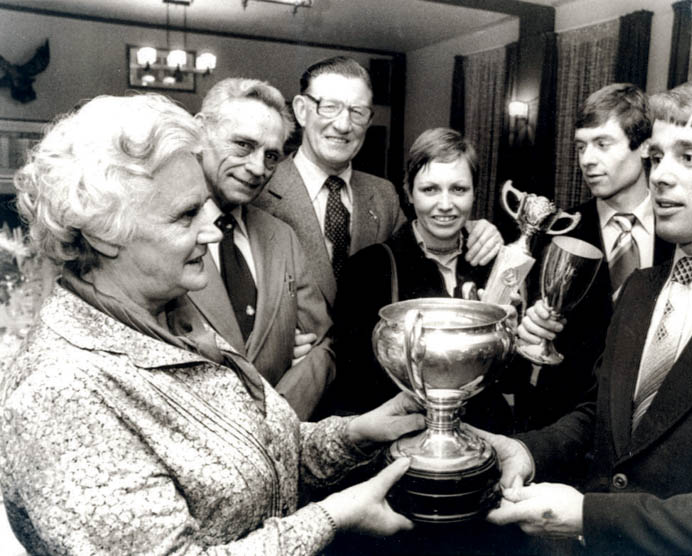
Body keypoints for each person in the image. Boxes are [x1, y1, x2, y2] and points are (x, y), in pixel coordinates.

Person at [0, 93, 430, 554]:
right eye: (186, 214)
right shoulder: (60, 392)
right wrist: (330, 519)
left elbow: (258, 454)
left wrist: (359, 431)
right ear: (104, 231)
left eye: (204, 206)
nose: (212, 227)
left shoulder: (171, 316)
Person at [489, 75, 692, 554]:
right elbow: (608, 419)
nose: (658, 175)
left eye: (689, 156)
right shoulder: (642, 286)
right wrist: (530, 449)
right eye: (656, 156)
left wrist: (588, 517)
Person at [253, 56, 502, 310]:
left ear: (369, 121)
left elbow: (420, 249)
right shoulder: (258, 190)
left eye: (357, 112)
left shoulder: (383, 195)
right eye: (329, 107)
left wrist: (473, 231)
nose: (343, 125)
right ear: (301, 110)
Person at [321, 128, 513, 434]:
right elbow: (356, 386)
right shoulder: (369, 269)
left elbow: (513, 378)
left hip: (485, 438)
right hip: (404, 441)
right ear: (409, 192)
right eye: (430, 189)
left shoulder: (495, 262)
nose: (446, 204)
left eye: (459, 189)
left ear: (475, 192)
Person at [516, 83, 673, 436]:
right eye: (581, 146)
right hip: (563, 426)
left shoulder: (681, 233)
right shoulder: (554, 232)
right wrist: (526, 331)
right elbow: (527, 337)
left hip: (652, 424)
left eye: (602, 144)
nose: (587, 159)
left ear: (645, 146)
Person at [189, 77, 334, 420]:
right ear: (199, 132)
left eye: (271, 156)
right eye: (243, 145)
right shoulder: (158, 234)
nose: (258, 168)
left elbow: (324, 346)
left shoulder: (281, 237)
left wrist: (279, 415)